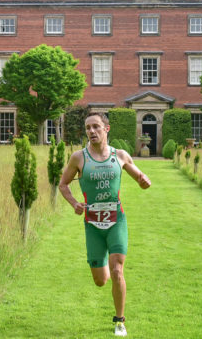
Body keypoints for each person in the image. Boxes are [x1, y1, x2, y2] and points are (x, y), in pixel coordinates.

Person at [59, 112, 151, 337]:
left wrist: (144, 181)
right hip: (92, 224)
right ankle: (106, 271)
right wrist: (74, 204)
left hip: (116, 221)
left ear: (106, 129)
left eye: (96, 127)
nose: (91, 131)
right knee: (101, 281)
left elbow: (140, 177)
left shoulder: (119, 156)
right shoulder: (78, 158)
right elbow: (63, 185)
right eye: (88, 127)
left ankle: (120, 320)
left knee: (118, 270)